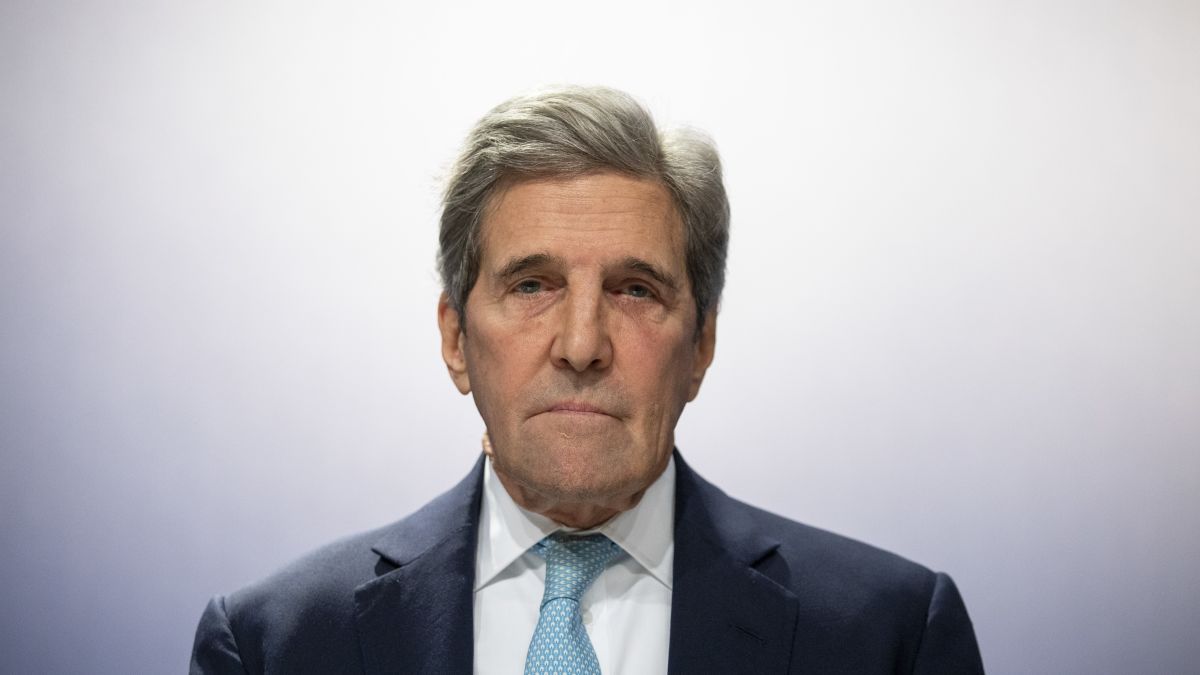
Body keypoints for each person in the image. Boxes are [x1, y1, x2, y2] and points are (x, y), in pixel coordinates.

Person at [190, 85, 985, 674]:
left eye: (634, 290)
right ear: (455, 339)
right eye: (532, 285)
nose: (581, 344)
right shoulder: (275, 645)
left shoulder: (888, 637)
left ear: (701, 345)